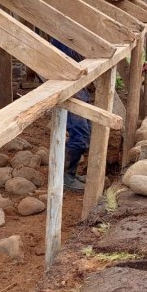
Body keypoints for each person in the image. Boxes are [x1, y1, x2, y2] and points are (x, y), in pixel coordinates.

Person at [50, 38, 91, 192]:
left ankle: (71, 172)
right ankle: (65, 177)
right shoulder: (64, 35)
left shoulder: (71, 33)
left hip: (77, 83)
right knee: (80, 135)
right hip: (67, 83)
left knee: (87, 132)